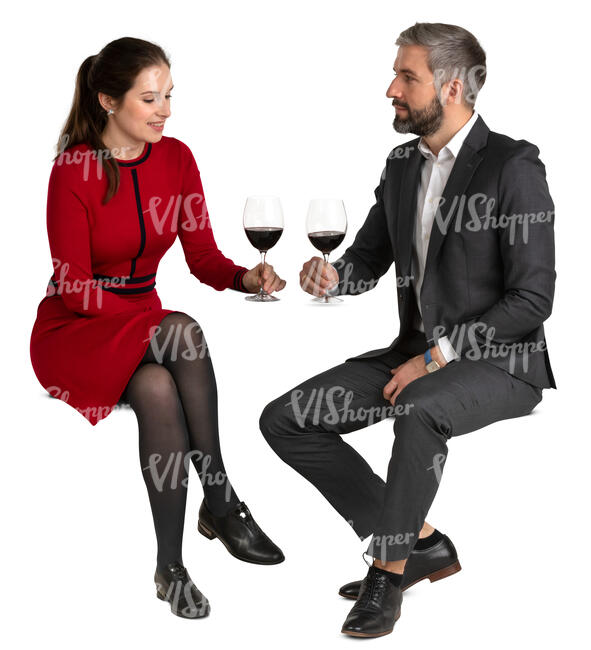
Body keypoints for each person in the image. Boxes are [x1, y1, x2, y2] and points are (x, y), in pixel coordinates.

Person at [259, 22, 556, 638]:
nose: (390, 88)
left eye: (406, 76)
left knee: (417, 408)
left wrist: (437, 359)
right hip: (412, 354)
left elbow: (533, 299)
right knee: (286, 418)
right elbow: (369, 259)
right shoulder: (401, 164)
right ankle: (418, 541)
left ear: (450, 87)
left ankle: (387, 574)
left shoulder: (512, 165)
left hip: (502, 364)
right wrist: (333, 277)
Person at [29, 36, 286, 619]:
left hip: (148, 331)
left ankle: (168, 568)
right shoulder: (73, 170)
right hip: (74, 332)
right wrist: (151, 324)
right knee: (181, 332)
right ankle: (220, 501)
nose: (165, 110)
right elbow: (73, 285)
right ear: (107, 101)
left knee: (157, 387)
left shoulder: (177, 159)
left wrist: (248, 277)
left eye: (169, 95)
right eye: (149, 98)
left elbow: (202, 258)